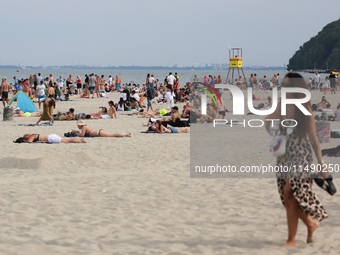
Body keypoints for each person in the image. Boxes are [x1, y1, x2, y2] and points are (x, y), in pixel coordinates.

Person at [265, 72, 335, 247]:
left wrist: (322, 166)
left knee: (290, 190)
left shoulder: (305, 110)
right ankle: (311, 225)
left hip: (301, 157)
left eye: (288, 86)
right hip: (283, 157)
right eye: (283, 85)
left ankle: (291, 240)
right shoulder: (281, 107)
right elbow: (268, 126)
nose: (284, 88)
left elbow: (314, 141)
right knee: (290, 199)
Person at [21, 133, 86, 144]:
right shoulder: (34, 135)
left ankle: (81, 140)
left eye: (25, 137)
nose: (26, 138)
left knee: (67, 141)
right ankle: (80, 140)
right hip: (51, 137)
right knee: (66, 141)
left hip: (50, 138)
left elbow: (30, 142)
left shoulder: (32, 136)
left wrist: (24, 140)